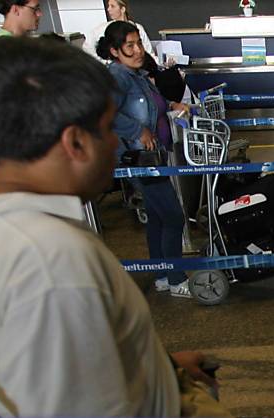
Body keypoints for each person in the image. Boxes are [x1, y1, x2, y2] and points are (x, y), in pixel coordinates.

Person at [0, 36, 218, 418]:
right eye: (107, 129)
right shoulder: (53, 260)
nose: (115, 144)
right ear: (75, 142)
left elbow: (69, 363)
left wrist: (160, 367)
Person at [97, 21, 192, 297]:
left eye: (138, 42)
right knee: (173, 216)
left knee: (157, 217)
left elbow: (153, 102)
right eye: (130, 45)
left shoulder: (134, 74)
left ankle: (162, 274)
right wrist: (138, 130)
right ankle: (175, 278)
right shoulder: (118, 77)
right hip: (138, 159)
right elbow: (106, 112)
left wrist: (172, 105)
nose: (138, 50)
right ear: (115, 51)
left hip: (151, 156)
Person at [83, 0, 157, 63]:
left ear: (122, 9)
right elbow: (87, 48)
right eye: (108, 6)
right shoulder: (103, 29)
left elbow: (149, 52)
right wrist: (104, 62)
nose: (108, 9)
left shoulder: (138, 28)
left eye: (112, 6)